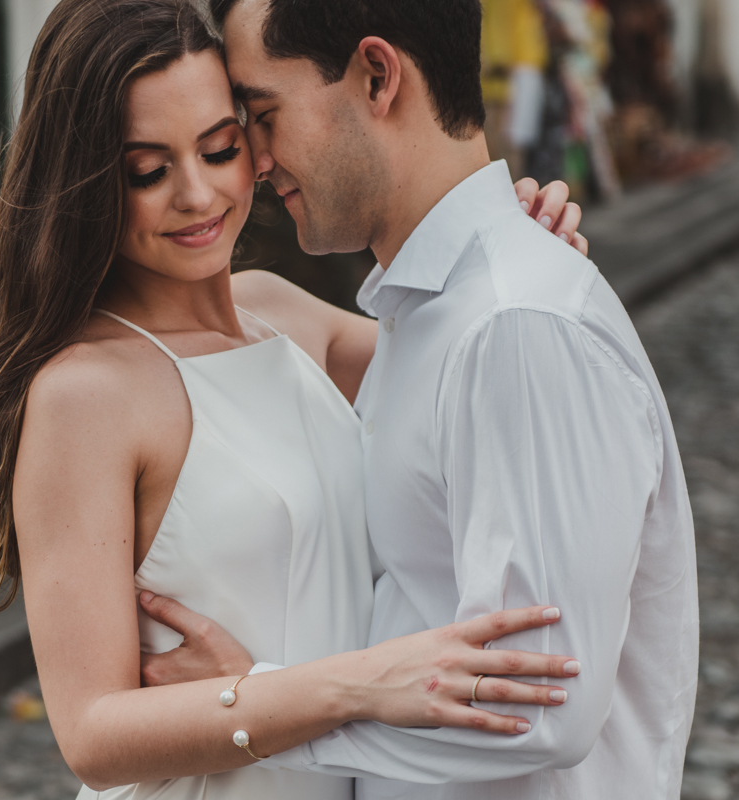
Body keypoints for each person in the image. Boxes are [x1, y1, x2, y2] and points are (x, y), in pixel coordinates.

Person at [0, 0, 591, 798]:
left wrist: (514, 242)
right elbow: (91, 732)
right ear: (86, 183)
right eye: (147, 170)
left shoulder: (280, 313)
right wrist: (346, 686)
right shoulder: (85, 394)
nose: (197, 194)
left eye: (219, 148)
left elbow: (463, 359)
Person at [141, 0, 699, 798]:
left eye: (263, 115)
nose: (255, 163)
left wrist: (269, 711)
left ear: (376, 75)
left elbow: (543, 704)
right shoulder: (433, 313)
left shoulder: (512, 327)